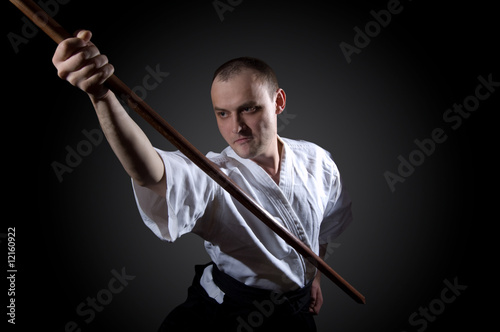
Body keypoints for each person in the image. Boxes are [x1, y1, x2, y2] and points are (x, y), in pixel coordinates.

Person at [52, 30, 353, 332]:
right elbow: (151, 172)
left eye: (249, 108)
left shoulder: (317, 161)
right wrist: (101, 96)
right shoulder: (213, 177)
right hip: (227, 313)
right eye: (223, 113)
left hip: (295, 314)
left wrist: (313, 277)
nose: (236, 127)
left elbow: (324, 227)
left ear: (278, 102)